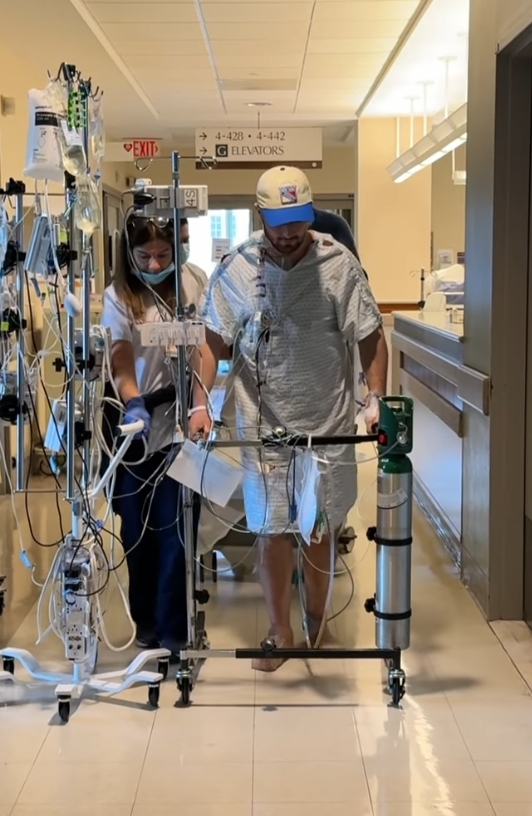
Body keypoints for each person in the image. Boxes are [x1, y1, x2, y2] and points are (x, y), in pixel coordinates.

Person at [190, 165, 388, 672]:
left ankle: (316, 627)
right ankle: (282, 631)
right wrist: (199, 404)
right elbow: (211, 342)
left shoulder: (337, 264)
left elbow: (369, 336)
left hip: (326, 422)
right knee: (272, 530)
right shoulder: (237, 268)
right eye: (279, 224)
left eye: (298, 221)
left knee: (318, 529)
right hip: (263, 428)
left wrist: (376, 397)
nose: (289, 233)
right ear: (261, 216)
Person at [101, 215, 205, 655]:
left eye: (165, 254)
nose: (156, 262)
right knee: (136, 532)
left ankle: (174, 631)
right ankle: (146, 623)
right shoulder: (118, 296)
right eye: (145, 256)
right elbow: (121, 356)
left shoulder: (190, 288)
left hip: (178, 423)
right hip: (133, 424)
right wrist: (133, 400)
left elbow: (203, 349)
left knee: (176, 528)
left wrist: (200, 403)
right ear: (129, 254)